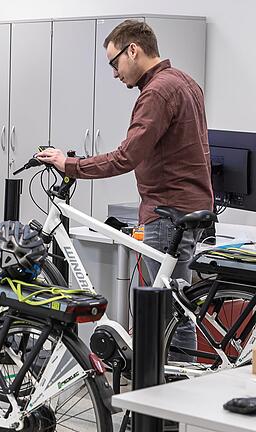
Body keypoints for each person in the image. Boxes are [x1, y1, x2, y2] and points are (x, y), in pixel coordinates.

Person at [36, 19, 213, 361]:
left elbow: (126, 157)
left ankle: (158, 405)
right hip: (189, 206)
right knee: (177, 309)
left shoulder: (158, 92)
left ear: (133, 50)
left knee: (155, 312)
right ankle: (170, 397)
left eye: (114, 62)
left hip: (167, 213)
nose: (115, 74)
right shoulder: (186, 82)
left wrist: (69, 165)